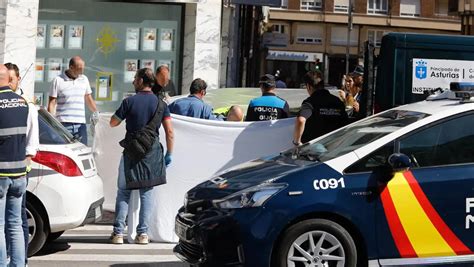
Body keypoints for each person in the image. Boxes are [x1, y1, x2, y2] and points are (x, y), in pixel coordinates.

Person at [109, 68, 174, 245]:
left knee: (123, 191)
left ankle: (118, 234)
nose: (133, 81)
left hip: (131, 151)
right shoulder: (161, 104)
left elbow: (113, 123)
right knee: (147, 193)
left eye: (135, 78)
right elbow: (169, 132)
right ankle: (143, 234)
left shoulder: (129, 102)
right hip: (152, 153)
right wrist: (170, 153)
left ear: (142, 81)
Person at [0, 64, 37, 266]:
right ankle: (18, 264)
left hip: (1, 175)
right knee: (15, 225)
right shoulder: (24, 103)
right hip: (19, 175)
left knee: (0, 226)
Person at [47, 56, 99, 145]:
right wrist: (51, 123)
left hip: (80, 124)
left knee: (82, 150)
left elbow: (88, 98)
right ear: (71, 67)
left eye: (83, 69)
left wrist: (97, 113)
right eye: (79, 69)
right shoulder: (58, 80)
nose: (82, 72)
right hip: (63, 124)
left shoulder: (84, 79)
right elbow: (52, 102)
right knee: (64, 151)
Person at [293, 70, 348, 145]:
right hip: (335, 146)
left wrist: (297, 142)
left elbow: (301, 120)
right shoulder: (337, 101)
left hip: (315, 148)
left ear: (308, 86)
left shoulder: (310, 102)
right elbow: (345, 122)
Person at [169, 78, 243, 121]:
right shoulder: (205, 108)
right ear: (202, 92)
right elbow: (217, 124)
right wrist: (223, 116)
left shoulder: (176, 103)